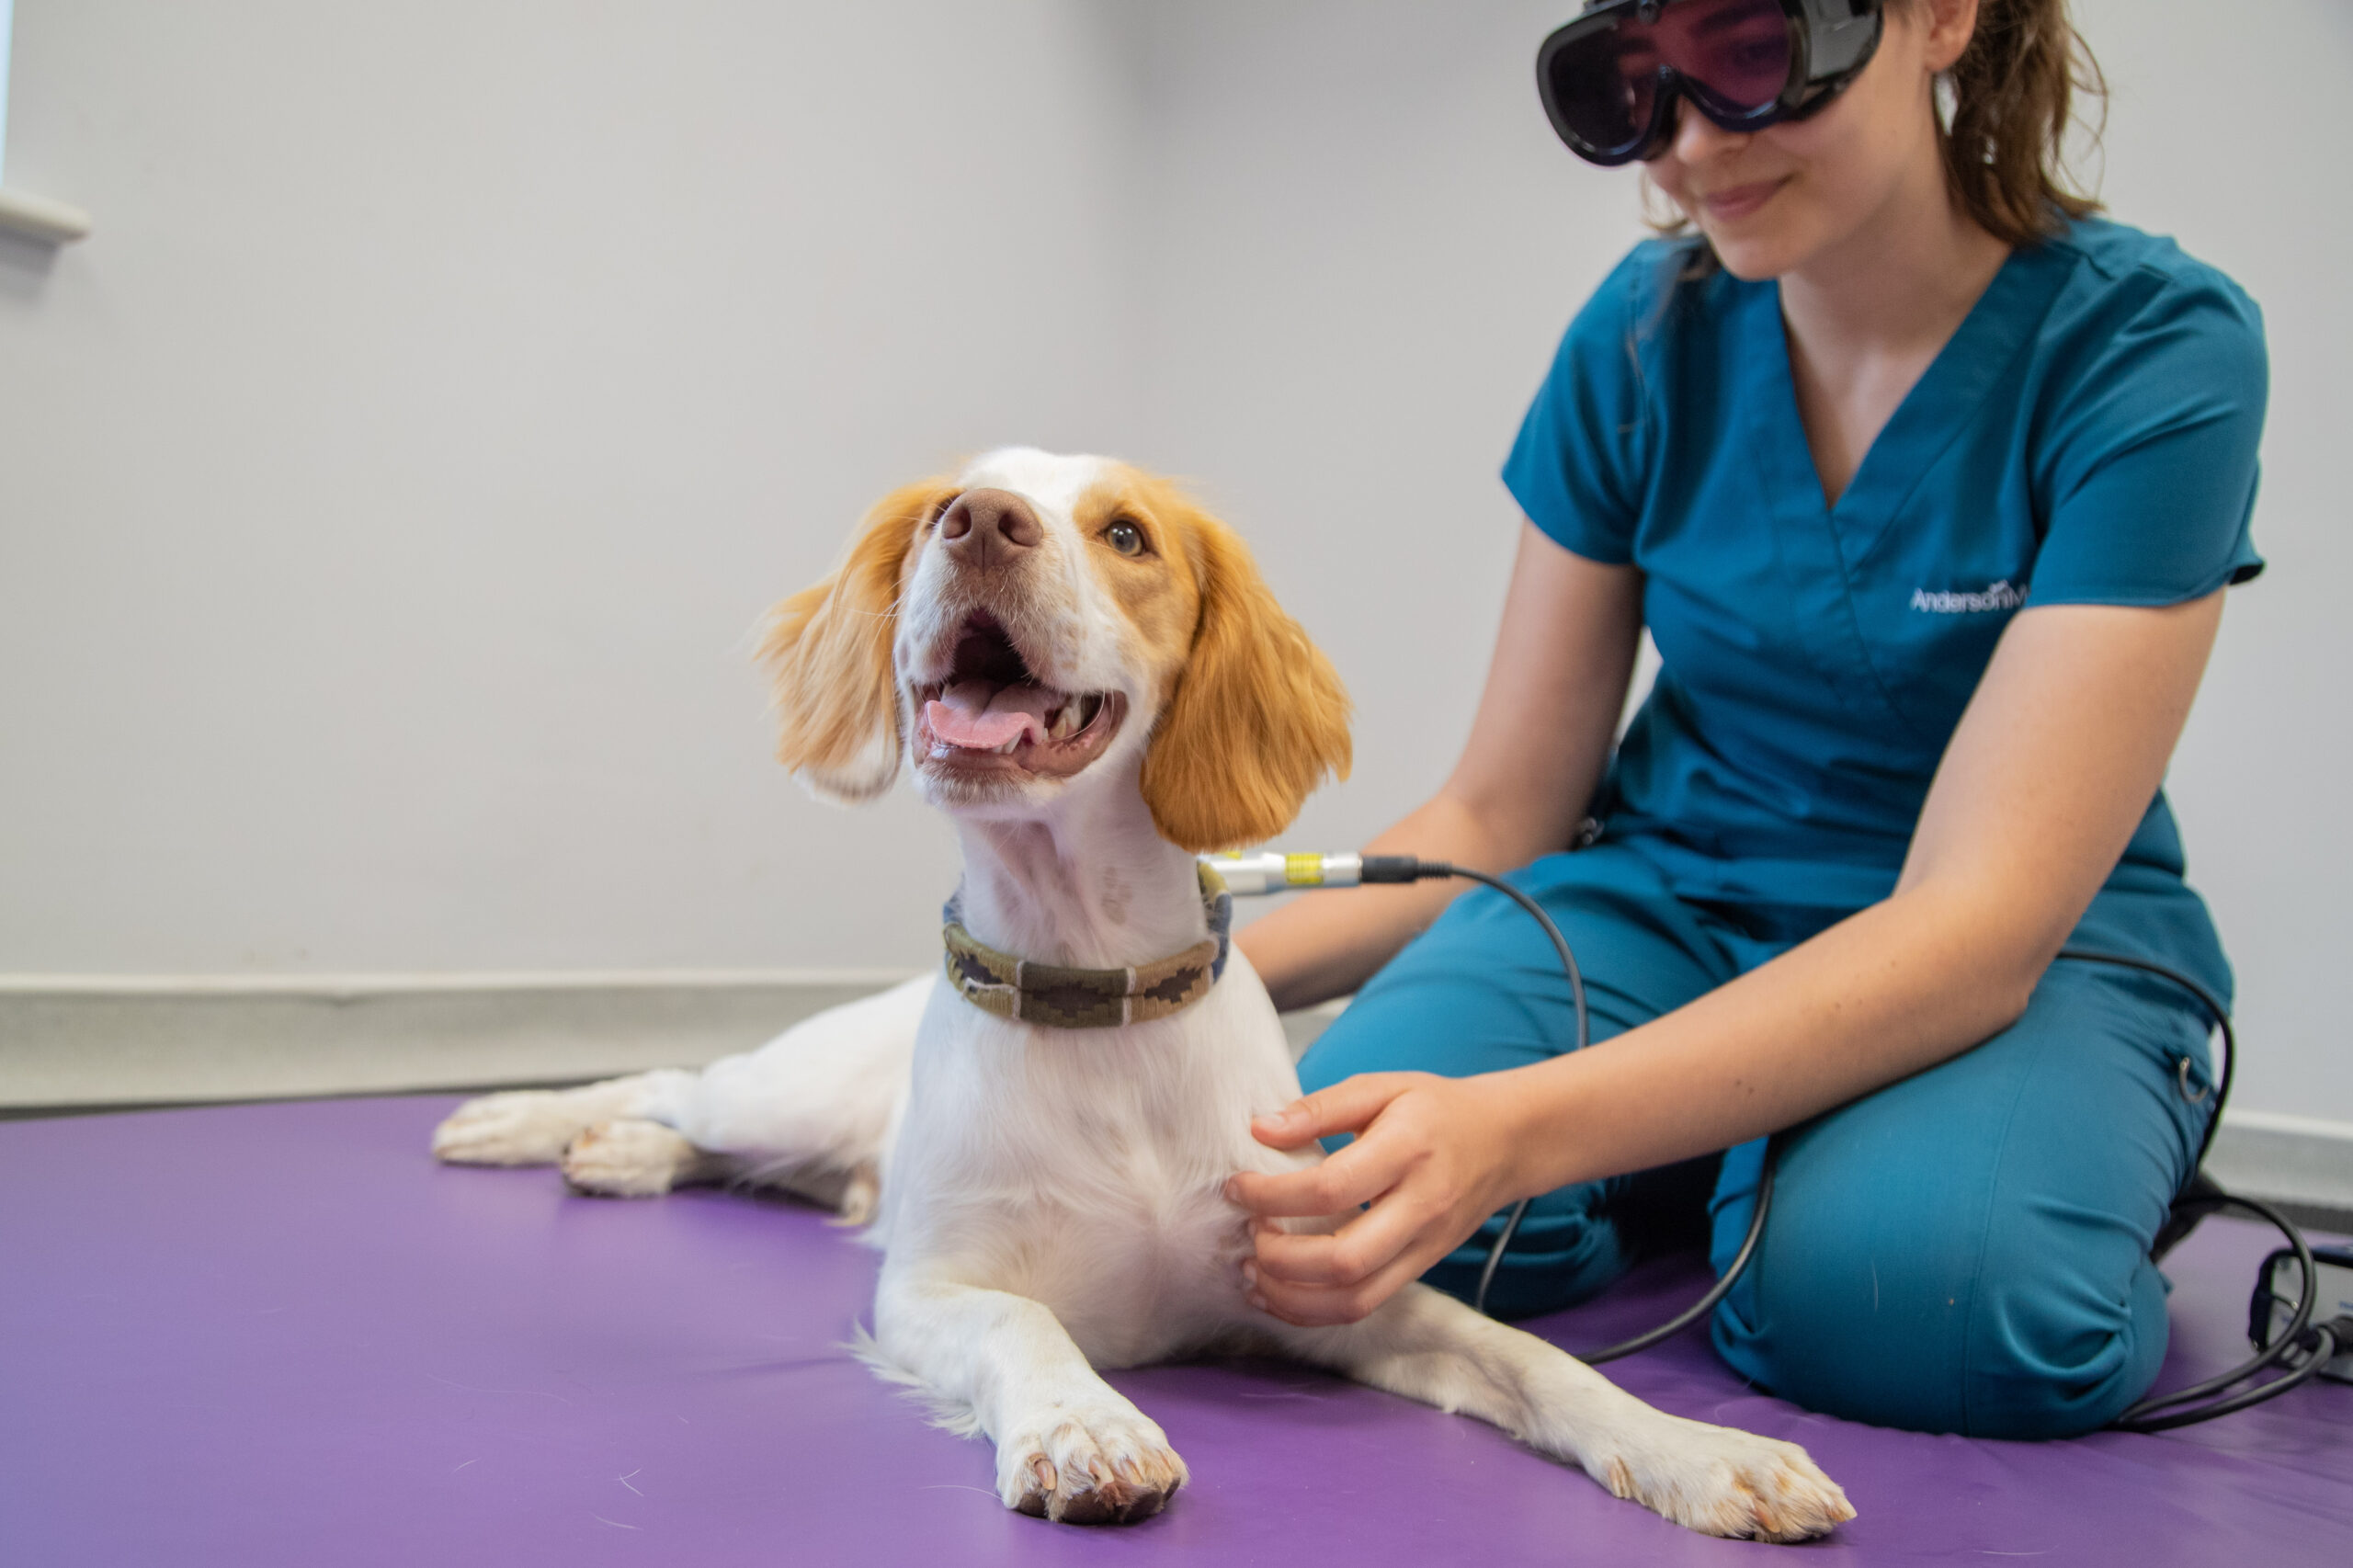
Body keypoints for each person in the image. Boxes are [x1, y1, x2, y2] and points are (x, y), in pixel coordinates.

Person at [1226, 0, 2268, 1439]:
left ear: (1940, 17)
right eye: (1636, 89)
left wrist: (1516, 1130)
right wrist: (1182, 974)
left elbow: (1977, 925)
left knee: (1924, 1292)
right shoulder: (1642, 337)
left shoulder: (2148, 350)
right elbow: (1498, 813)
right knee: (1316, 1197)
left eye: (1753, 55)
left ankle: (1894, 1173)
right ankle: (1725, 1152)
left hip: (2012, 950)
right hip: (1669, 906)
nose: (1690, 149)